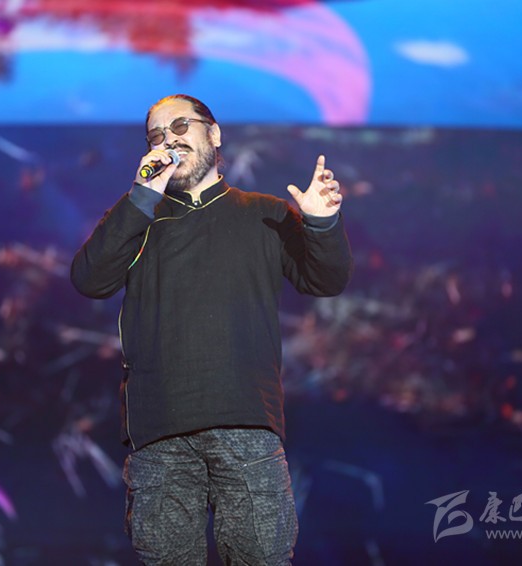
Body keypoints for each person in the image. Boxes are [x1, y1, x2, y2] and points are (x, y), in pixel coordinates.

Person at [70, 94, 352, 565]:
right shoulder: (138, 220)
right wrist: (142, 194)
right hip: (158, 432)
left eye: (181, 126)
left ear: (214, 134)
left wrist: (322, 224)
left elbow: (324, 280)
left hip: (246, 423)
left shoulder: (264, 213)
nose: (169, 140)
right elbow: (89, 279)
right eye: (157, 135)